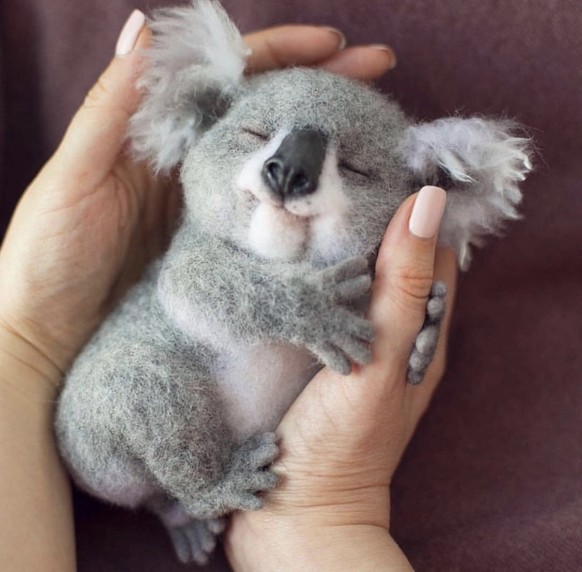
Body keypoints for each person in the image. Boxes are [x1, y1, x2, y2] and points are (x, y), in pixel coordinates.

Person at [0, 11, 456, 571]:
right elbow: (194, 294)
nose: (290, 170)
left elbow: (377, 354)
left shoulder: (359, 279)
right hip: (110, 433)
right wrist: (21, 339)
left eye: (358, 169)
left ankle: (181, 503)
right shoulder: (201, 255)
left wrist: (414, 332)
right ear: (207, 128)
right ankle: (198, 489)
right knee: (132, 387)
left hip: (248, 447)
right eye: (257, 135)